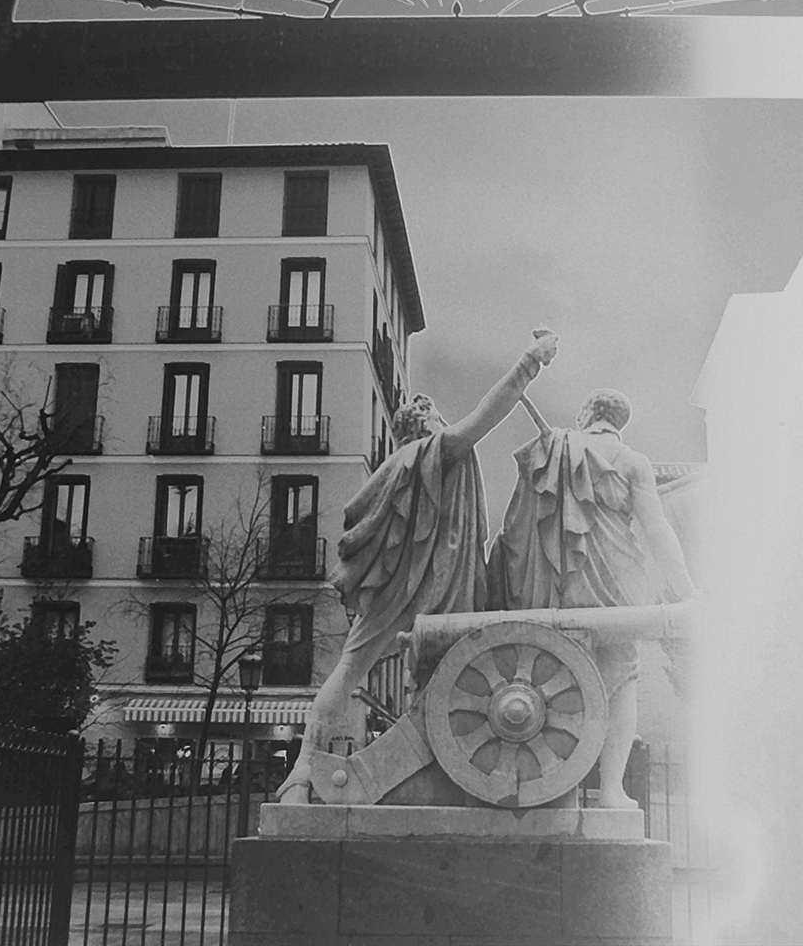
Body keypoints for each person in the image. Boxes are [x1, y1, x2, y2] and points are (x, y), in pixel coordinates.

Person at [275, 330, 560, 803]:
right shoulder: (432, 451)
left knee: (350, 670)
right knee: (422, 673)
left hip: (395, 588)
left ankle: (302, 772)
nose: (443, 419)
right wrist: (529, 362)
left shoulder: (397, 463)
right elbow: (484, 419)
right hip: (430, 588)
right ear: (426, 423)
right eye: (437, 415)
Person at [486, 388, 696, 808]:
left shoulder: (557, 448)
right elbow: (656, 529)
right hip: (616, 586)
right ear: (621, 423)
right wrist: (685, 589)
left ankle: (552, 790)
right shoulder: (635, 463)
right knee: (623, 683)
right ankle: (611, 792)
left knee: (550, 682)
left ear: (585, 415)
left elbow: (518, 523)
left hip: (557, 582)